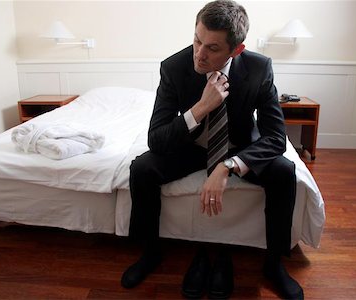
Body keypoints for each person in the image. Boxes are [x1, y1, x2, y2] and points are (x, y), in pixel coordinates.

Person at [121, 0, 303, 299]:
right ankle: (150, 253)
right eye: (196, 40)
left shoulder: (259, 68)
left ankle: (273, 264)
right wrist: (201, 107)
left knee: (284, 171)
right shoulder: (174, 67)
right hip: (190, 147)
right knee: (142, 168)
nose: (199, 54)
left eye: (212, 48)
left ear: (236, 50)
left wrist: (228, 166)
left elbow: (275, 137)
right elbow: (157, 138)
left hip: (238, 147)